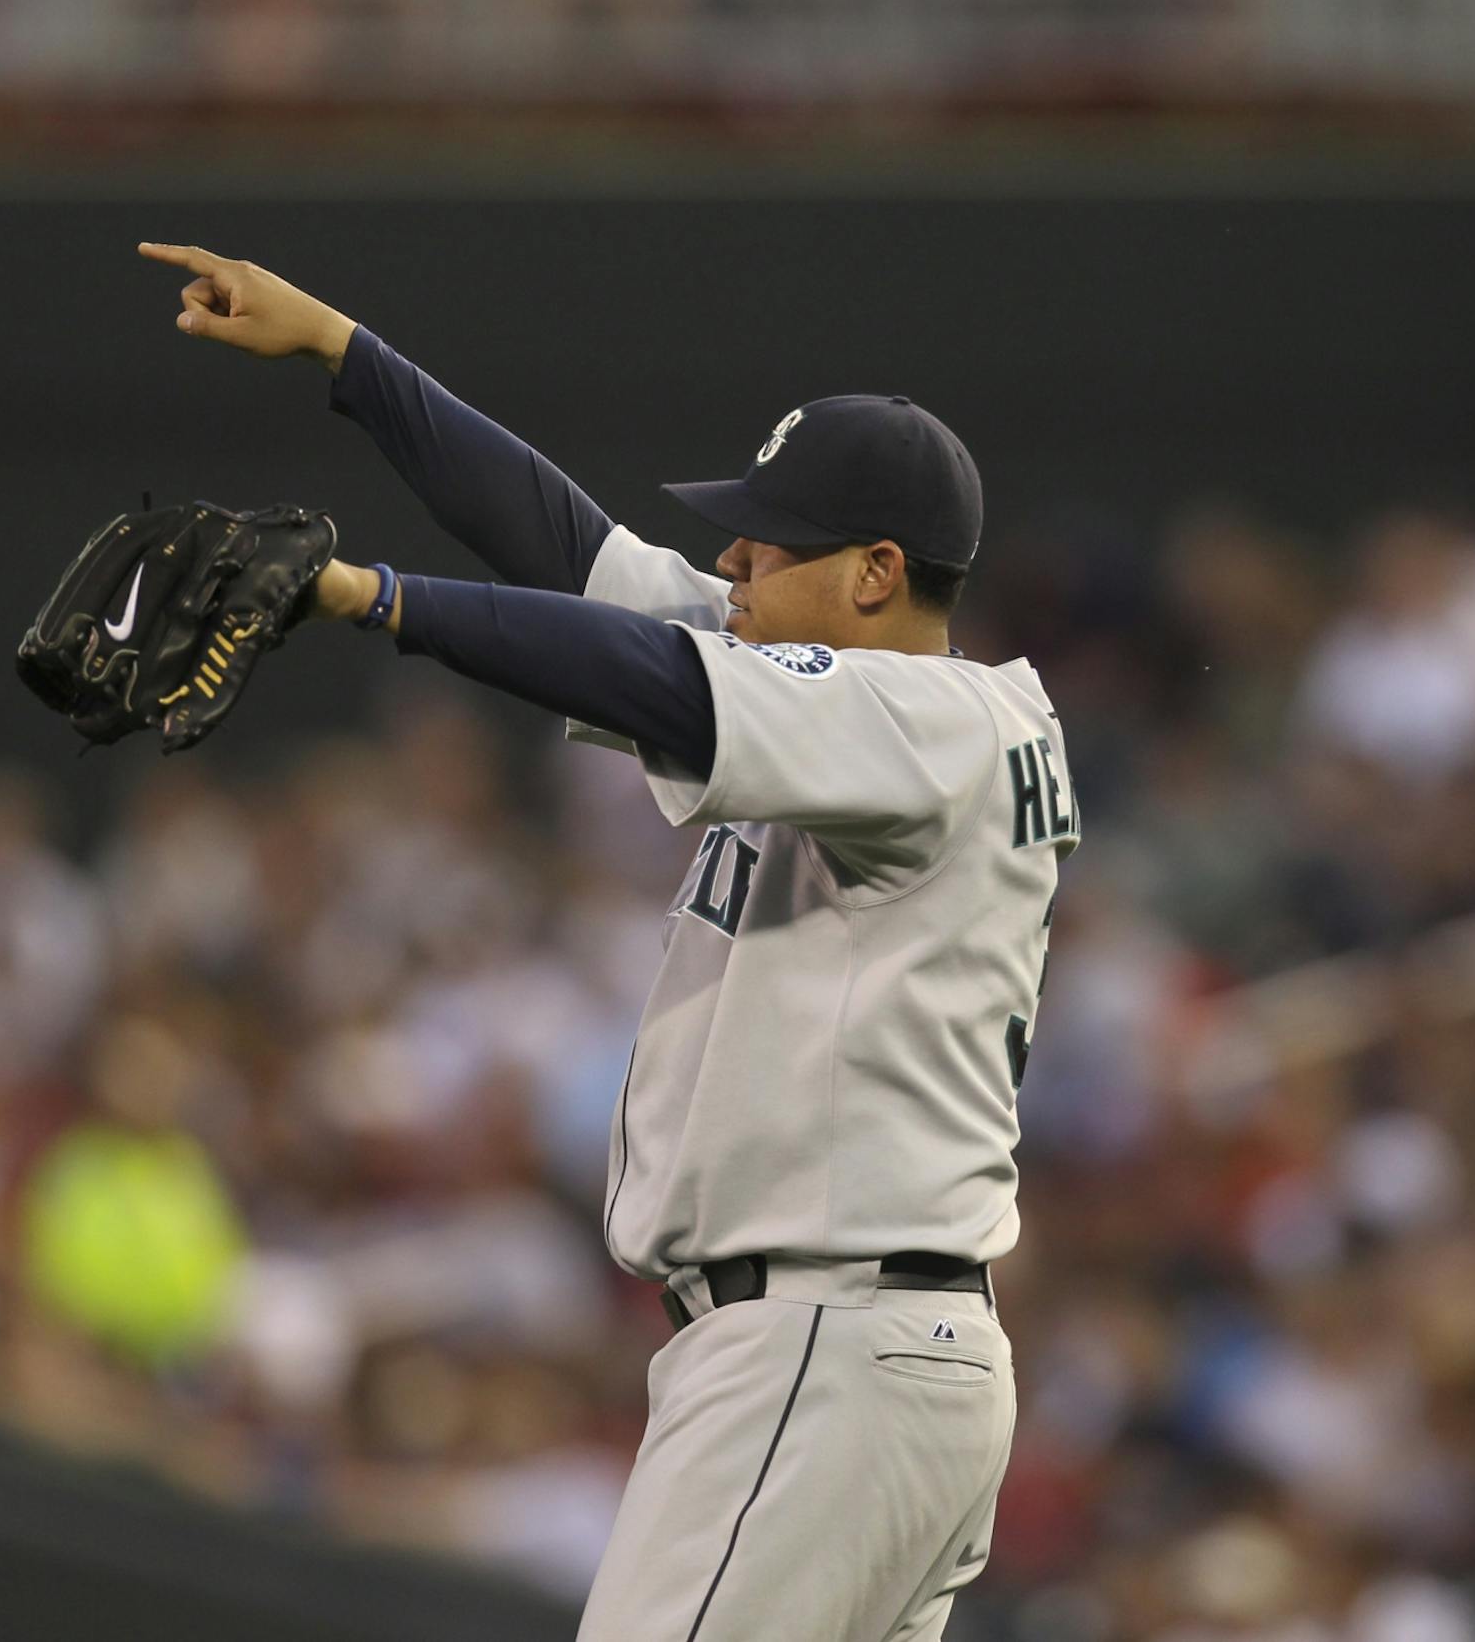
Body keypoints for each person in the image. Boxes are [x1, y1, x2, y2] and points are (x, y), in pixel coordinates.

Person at [140, 242, 1079, 1642]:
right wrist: (345, 355)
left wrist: (364, 595)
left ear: (878, 573)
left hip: (825, 1343)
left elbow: (641, 668)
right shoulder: (853, 699)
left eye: (770, 542)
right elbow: (574, 560)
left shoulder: (938, 718)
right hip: (869, 1355)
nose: (732, 560)